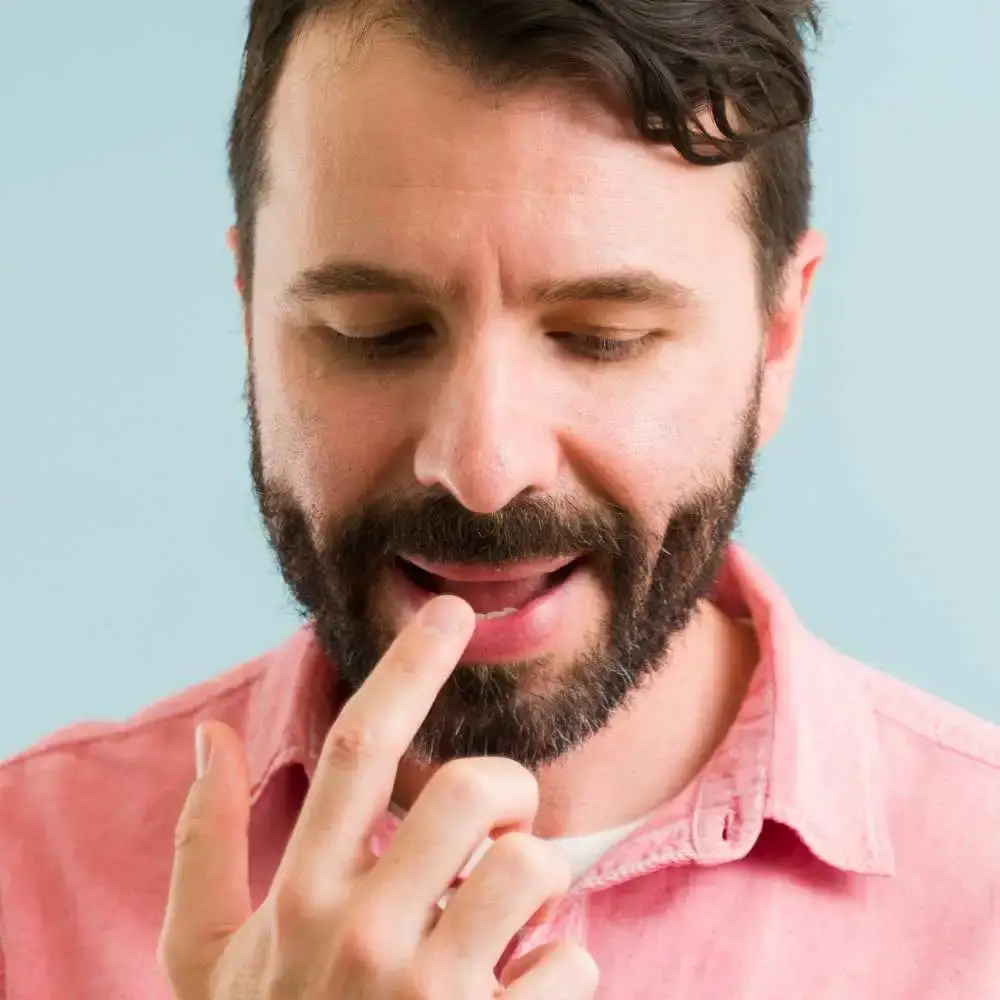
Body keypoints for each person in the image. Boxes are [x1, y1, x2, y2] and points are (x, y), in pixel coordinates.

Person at [1, 1, 998, 997]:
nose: (482, 468)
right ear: (250, 316)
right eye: (372, 329)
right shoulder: (25, 880)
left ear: (776, 338)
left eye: (603, 336)